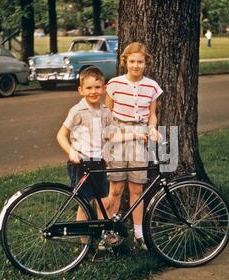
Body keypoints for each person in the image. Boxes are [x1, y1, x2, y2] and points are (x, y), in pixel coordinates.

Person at [105, 42, 163, 251]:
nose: (136, 66)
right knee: (116, 188)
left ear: (146, 63)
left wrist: (153, 128)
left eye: (140, 62)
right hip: (119, 138)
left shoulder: (152, 86)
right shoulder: (114, 84)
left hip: (141, 139)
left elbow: (152, 114)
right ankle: (108, 233)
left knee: (137, 188)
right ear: (125, 62)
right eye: (132, 61)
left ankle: (139, 234)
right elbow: (107, 114)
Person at [57, 67, 113, 226]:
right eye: (88, 88)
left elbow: (112, 135)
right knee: (84, 205)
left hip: (99, 163)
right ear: (81, 90)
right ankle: (85, 245)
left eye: (97, 87)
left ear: (104, 88)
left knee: (104, 202)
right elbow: (61, 135)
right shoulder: (77, 111)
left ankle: (104, 238)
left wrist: (137, 135)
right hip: (80, 163)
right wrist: (71, 151)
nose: (93, 91)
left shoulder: (105, 112)